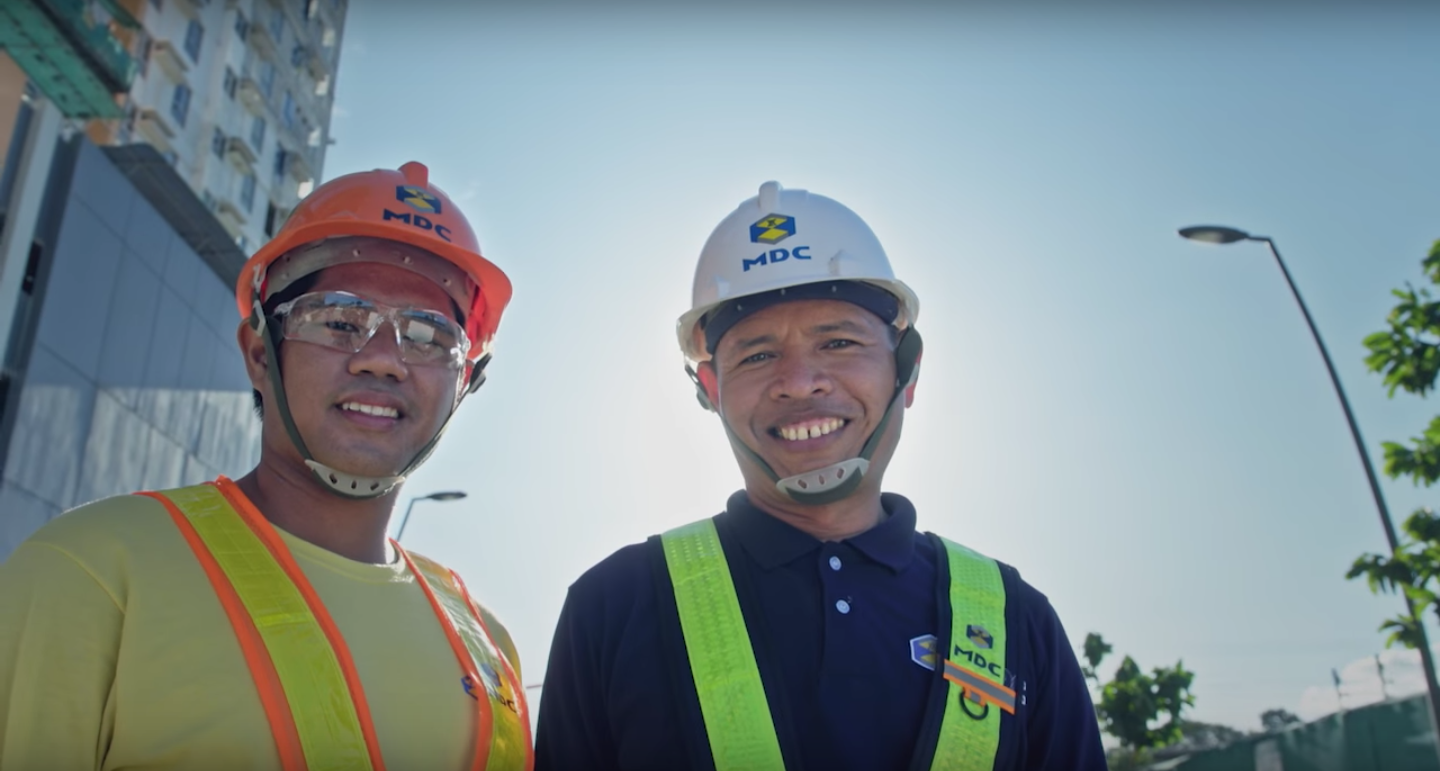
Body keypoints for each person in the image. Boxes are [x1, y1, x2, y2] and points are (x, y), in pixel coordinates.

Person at [535, 181, 1107, 770]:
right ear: (711, 390)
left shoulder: (1015, 618)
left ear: (907, 372)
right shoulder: (615, 606)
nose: (801, 381)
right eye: (757, 356)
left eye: (838, 342)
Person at [0, 162, 533, 770]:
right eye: (338, 320)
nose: (383, 360)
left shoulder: (490, 646)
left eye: (428, 335)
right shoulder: (96, 569)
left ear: (465, 381)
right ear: (259, 353)